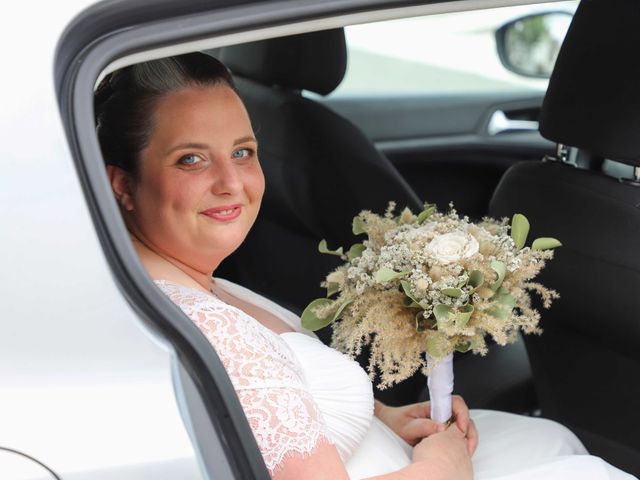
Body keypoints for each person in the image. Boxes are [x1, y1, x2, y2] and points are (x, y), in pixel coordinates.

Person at [95, 52, 636, 480]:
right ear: (124, 184)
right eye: (191, 159)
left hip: (387, 455)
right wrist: (439, 469)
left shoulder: (180, 282)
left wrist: (393, 421)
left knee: (549, 439)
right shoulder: (212, 333)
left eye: (242, 151)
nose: (231, 183)